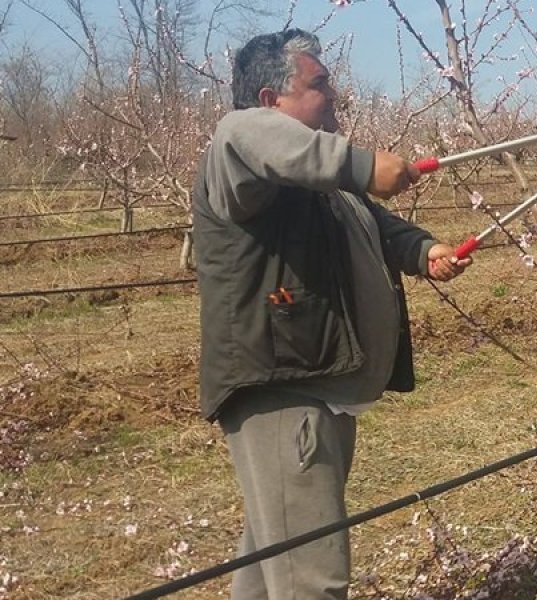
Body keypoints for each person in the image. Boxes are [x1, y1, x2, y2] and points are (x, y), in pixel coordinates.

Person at [190, 29, 470, 599]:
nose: (334, 95)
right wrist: (362, 164)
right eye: (318, 84)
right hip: (284, 387)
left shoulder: (316, 182)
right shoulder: (241, 143)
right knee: (311, 580)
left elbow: (370, 222)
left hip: (316, 385)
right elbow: (246, 132)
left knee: (274, 568)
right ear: (272, 100)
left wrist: (422, 250)